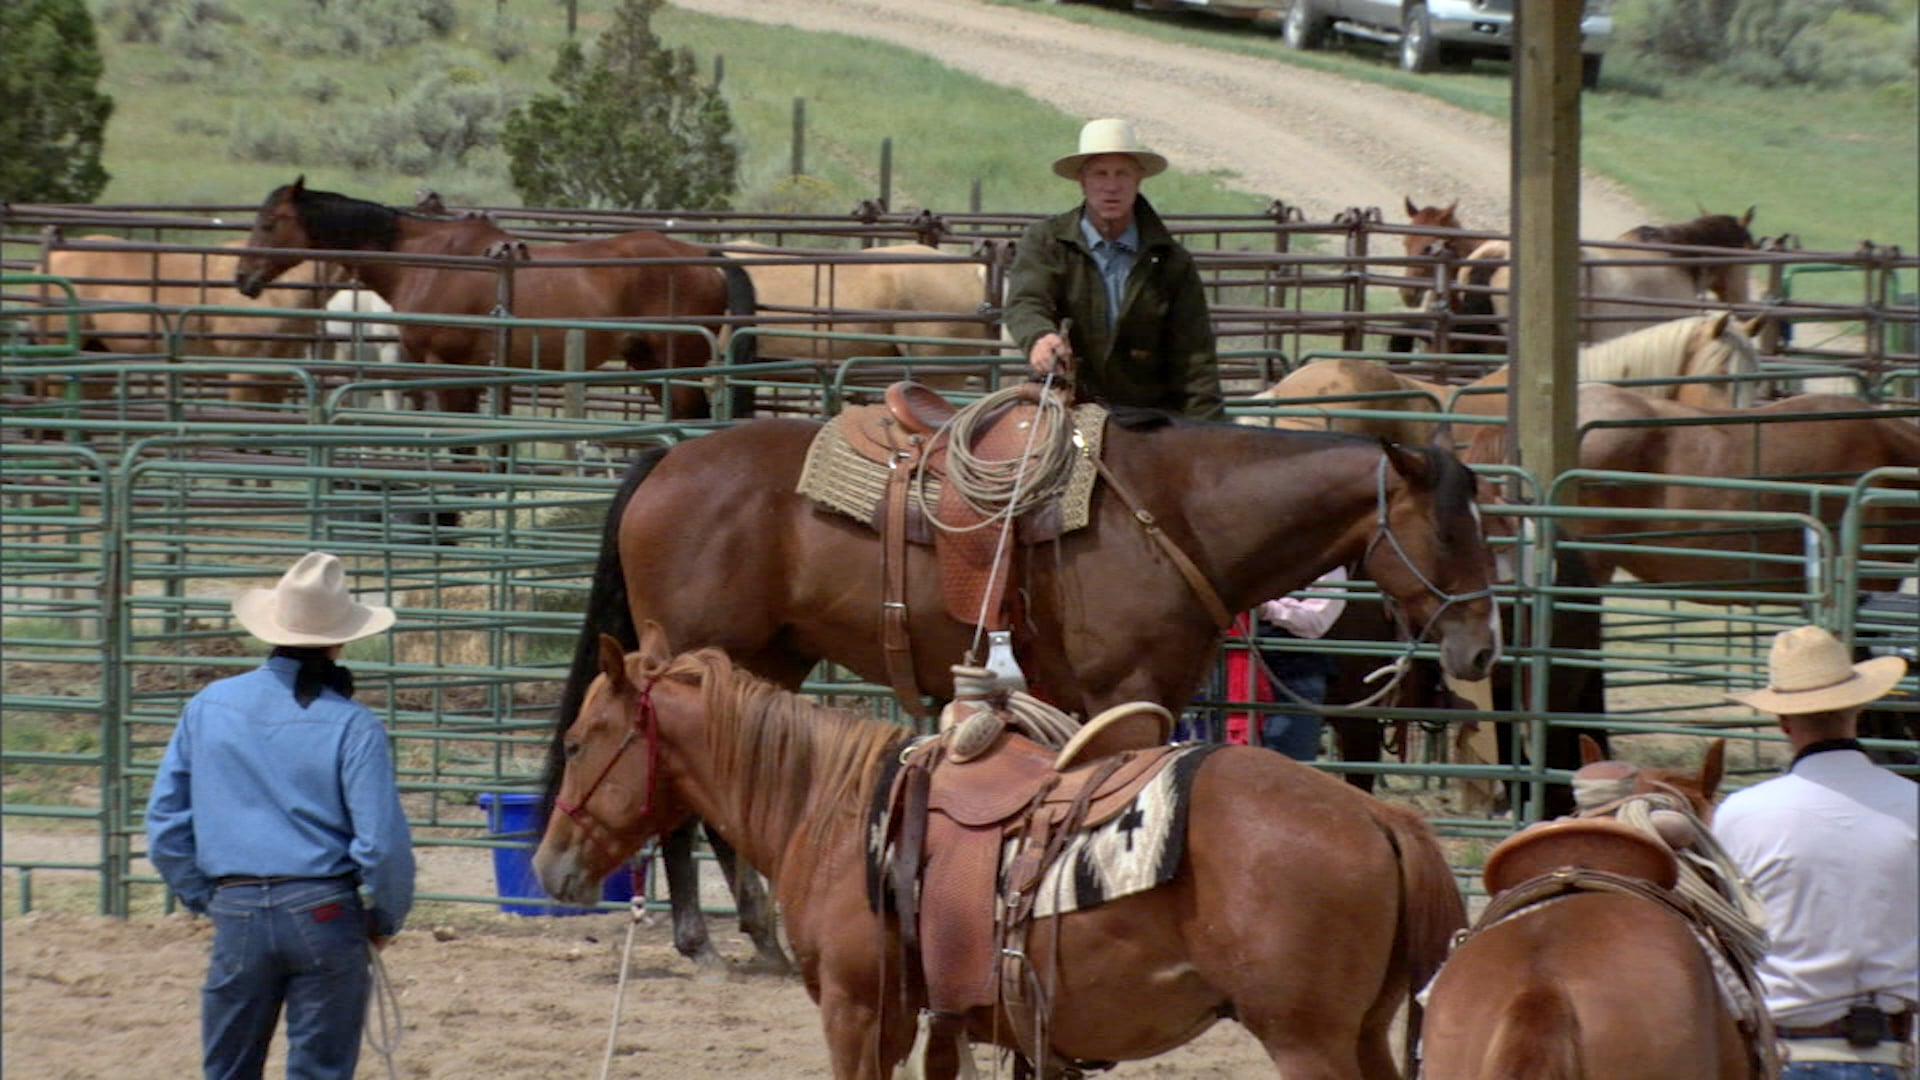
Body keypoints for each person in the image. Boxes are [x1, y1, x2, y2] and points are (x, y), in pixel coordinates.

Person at [146, 551, 415, 1080]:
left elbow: (166, 826)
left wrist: (208, 897)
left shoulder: (209, 706)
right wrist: (384, 917)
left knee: (228, 1067)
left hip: (237, 906)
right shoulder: (354, 725)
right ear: (341, 640)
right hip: (324, 910)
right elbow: (380, 845)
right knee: (319, 1068)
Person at [1711, 624, 1917, 1079]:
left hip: (1785, 1049)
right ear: (1858, 710)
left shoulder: (1742, 813)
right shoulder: (1912, 806)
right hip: (1895, 1051)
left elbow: (1722, 938)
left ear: (1783, 722)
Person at [1003, 117, 1224, 420]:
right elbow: (1026, 301)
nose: (1111, 186)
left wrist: (1206, 436)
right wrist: (1040, 337)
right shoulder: (1047, 242)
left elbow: (1195, 357)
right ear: (1082, 180)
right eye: (1100, 173)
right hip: (1065, 405)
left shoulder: (1170, 260)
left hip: (1146, 418)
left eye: (1122, 174)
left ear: (1138, 180)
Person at [1254, 567, 1349, 760]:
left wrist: (1266, 609)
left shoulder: (1327, 562)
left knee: (1288, 765)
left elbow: (1316, 621)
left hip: (1293, 673)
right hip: (1233, 672)